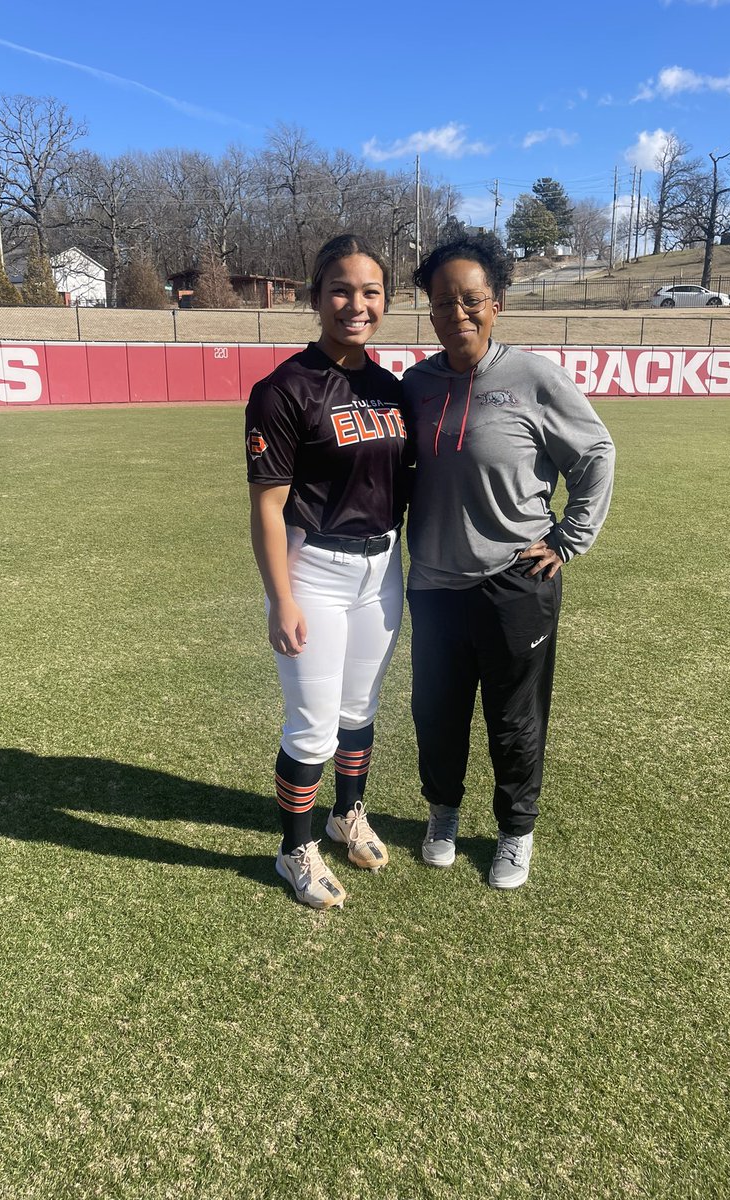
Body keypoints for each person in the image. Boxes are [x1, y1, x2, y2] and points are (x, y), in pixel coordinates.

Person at [403, 234, 615, 890]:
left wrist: (568, 540)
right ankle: (442, 814)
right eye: (443, 303)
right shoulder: (415, 385)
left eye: (471, 300)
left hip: (515, 583)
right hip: (435, 587)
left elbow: (596, 454)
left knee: (514, 719)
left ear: (496, 305)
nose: (457, 314)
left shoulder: (532, 378)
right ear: (431, 312)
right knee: (435, 713)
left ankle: (515, 831)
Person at [245, 234, 406, 910]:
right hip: (315, 569)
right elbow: (267, 504)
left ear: (386, 302)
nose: (355, 304)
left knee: (359, 710)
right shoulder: (283, 388)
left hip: (382, 569)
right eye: (340, 289)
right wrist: (281, 597)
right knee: (312, 725)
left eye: (370, 292)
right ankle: (295, 850)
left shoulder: (391, 387)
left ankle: (348, 814)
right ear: (316, 297)